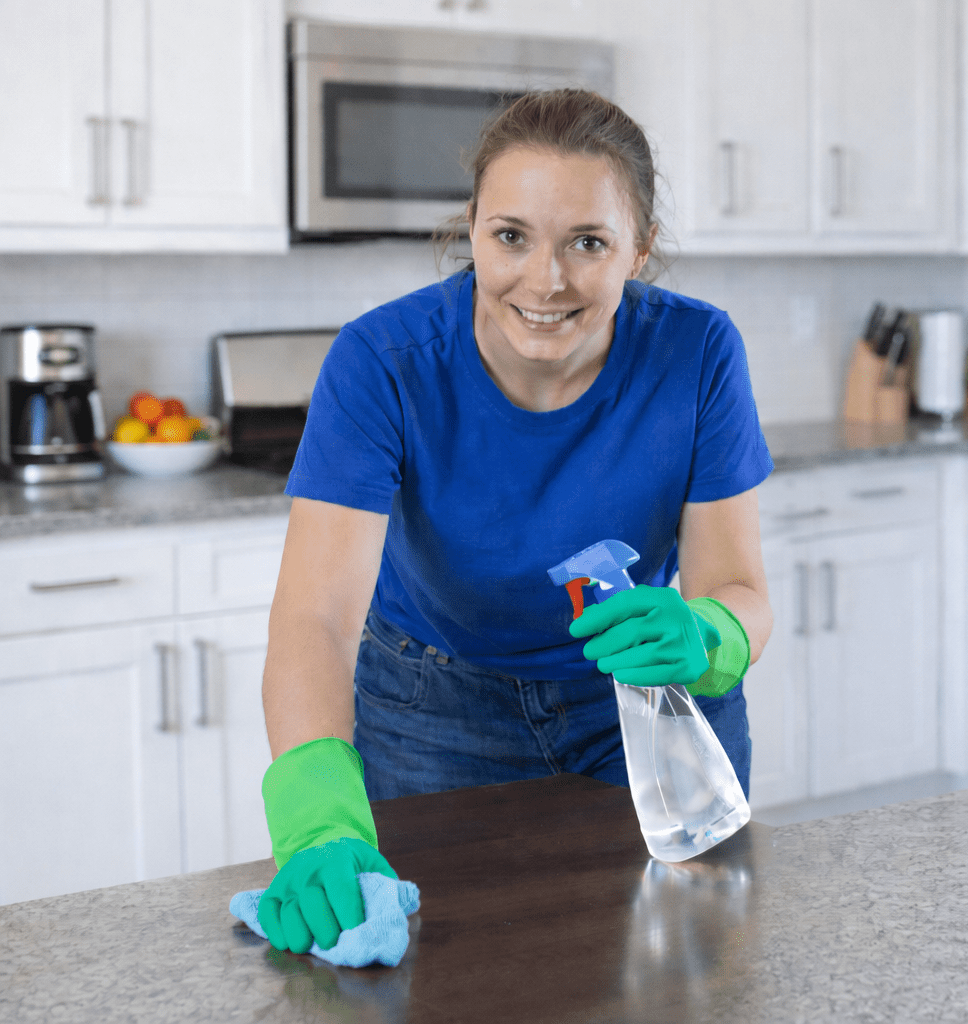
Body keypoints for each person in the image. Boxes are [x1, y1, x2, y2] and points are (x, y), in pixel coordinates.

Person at [253, 90, 775, 954]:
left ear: (639, 252)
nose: (546, 280)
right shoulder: (384, 363)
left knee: (685, 976)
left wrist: (707, 633)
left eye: (589, 242)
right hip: (434, 715)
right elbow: (315, 619)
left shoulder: (698, 352)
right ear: (472, 230)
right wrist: (315, 820)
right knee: (455, 982)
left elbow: (740, 590)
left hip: (644, 711)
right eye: (511, 236)